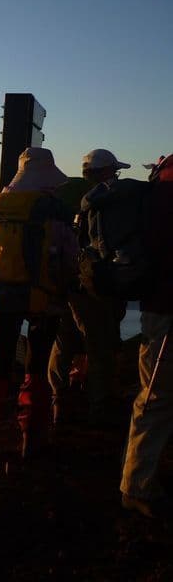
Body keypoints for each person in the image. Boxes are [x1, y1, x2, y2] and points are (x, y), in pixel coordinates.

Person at [0, 147, 78, 458]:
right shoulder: (55, 209)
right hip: (46, 297)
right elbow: (69, 255)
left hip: (1, 296)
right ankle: (32, 437)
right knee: (37, 367)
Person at [49, 149, 129, 426]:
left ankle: (57, 398)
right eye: (114, 171)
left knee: (64, 341)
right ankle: (98, 406)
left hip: (64, 280)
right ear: (104, 171)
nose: (116, 176)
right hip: (92, 283)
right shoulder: (103, 198)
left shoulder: (65, 191)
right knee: (99, 344)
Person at [120, 154, 173, 518]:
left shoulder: (160, 186)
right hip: (169, 307)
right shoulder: (167, 190)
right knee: (157, 396)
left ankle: (148, 474)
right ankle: (137, 485)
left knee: (157, 392)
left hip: (158, 305)